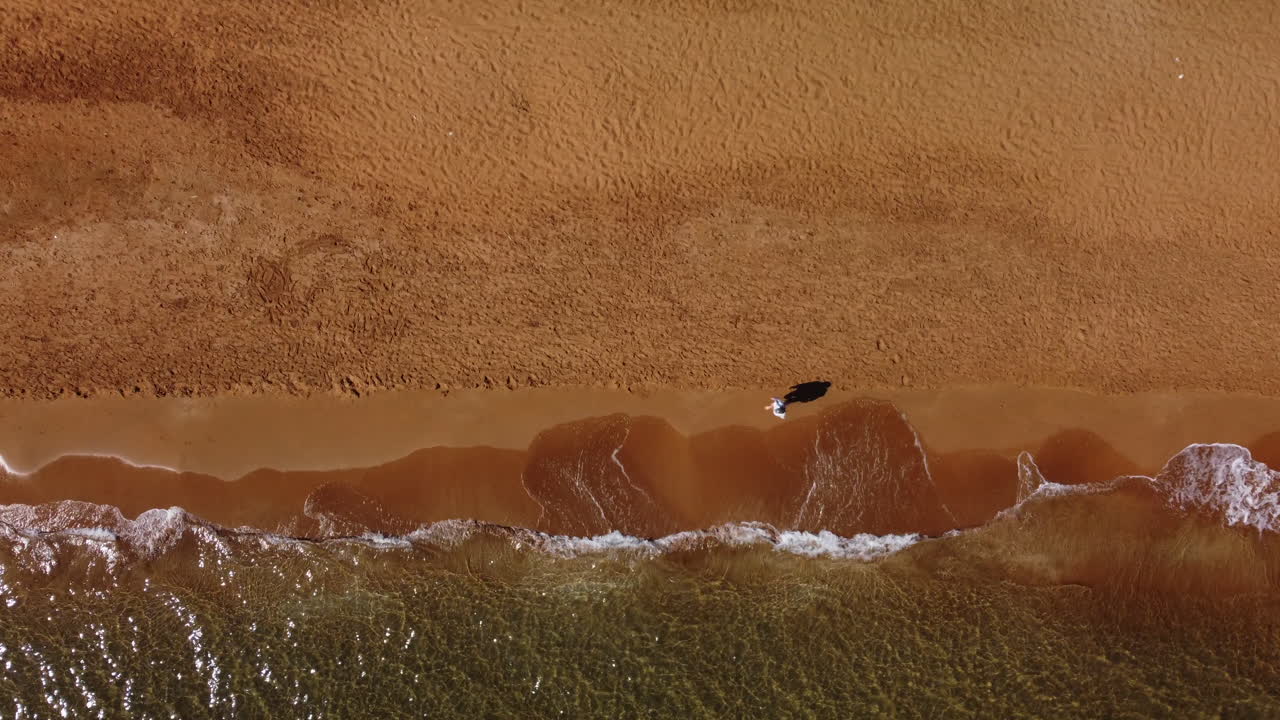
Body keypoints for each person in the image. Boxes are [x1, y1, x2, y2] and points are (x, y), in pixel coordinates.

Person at [765, 381, 831, 419]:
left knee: (788, 399)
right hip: (804, 396)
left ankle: (791, 398)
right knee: (789, 400)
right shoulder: (781, 409)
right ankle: (792, 399)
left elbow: (775, 403)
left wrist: (771, 402)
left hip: (801, 395)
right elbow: (815, 396)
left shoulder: (779, 406)